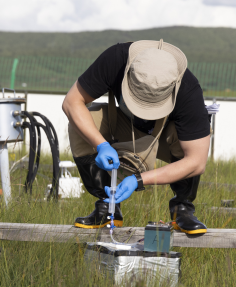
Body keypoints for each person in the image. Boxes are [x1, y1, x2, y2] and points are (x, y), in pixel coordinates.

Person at [62, 39, 211, 234]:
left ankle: (181, 210)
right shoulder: (115, 60)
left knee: (189, 141)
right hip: (123, 126)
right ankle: (108, 207)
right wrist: (100, 145)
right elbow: (72, 103)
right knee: (82, 122)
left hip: (165, 137)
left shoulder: (188, 89)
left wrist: (138, 180)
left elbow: (197, 162)